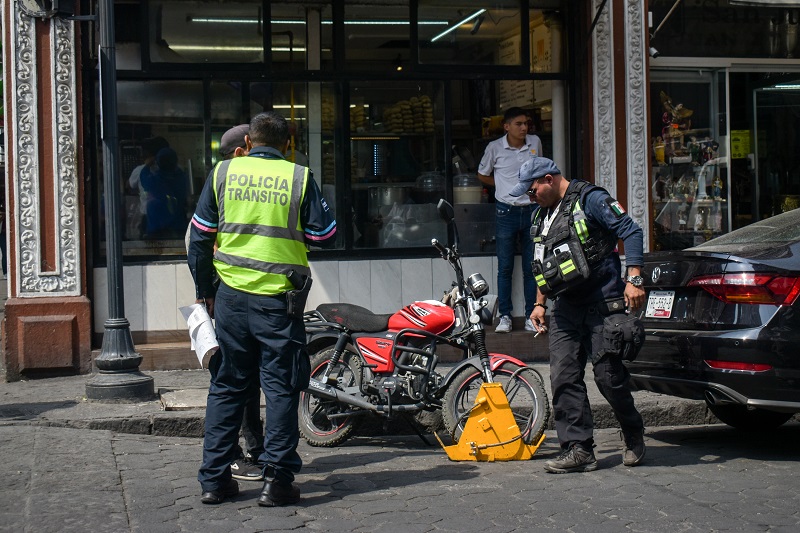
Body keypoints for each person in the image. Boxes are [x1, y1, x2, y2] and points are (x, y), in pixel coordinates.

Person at [188, 111, 337, 506]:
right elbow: (326, 234)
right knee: (282, 387)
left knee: (227, 386)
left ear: (249, 142)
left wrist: (206, 292)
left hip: (231, 300)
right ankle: (277, 482)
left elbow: (199, 239)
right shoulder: (298, 176)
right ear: (287, 145)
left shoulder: (223, 173)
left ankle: (214, 481)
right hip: (278, 304)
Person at [509, 156, 646, 474]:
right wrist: (539, 303)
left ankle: (633, 430)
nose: (530, 197)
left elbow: (632, 231)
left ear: (548, 178)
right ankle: (579, 449)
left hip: (603, 304)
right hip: (566, 309)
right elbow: (543, 265)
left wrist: (634, 278)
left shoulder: (591, 199)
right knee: (564, 377)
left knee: (608, 379)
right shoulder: (541, 216)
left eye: (532, 191)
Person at [477, 107, 543, 333]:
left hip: (532, 209)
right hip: (506, 211)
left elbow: (540, 171)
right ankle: (504, 316)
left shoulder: (534, 142)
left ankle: (530, 316)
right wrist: (504, 187)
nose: (524, 128)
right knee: (505, 267)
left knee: (531, 267)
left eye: (526, 123)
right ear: (506, 126)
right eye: (518, 124)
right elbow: (482, 174)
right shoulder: (495, 147)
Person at [140, 147, 189, 239]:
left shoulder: (154, 180)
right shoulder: (180, 178)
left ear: (158, 163)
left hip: (156, 229)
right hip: (178, 227)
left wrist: (148, 164)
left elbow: (143, 178)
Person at [128, 136, 170, 237]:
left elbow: (129, 186)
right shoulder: (172, 170)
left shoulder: (140, 170)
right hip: (168, 217)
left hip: (149, 217)